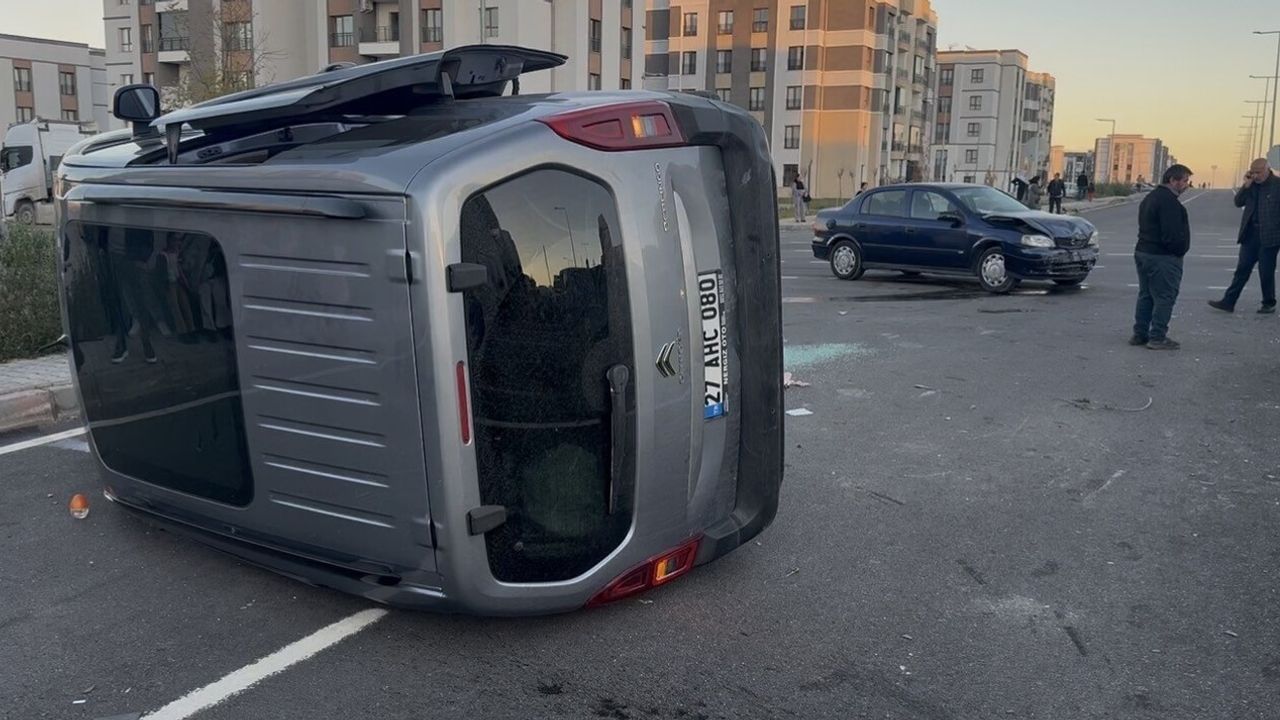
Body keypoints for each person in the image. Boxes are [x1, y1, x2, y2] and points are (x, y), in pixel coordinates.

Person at [1132, 164, 1194, 350]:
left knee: (1146, 295)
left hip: (1144, 252)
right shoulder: (1169, 202)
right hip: (1162, 257)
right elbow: (1172, 234)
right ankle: (1157, 336)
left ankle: (1140, 334)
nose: (1186, 185)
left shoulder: (1151, 198)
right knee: (1164, 297)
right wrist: (1179, 251)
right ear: (1173, 180)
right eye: (1184, 181)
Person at [1208, 157, 1280, 314]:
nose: (1255, 176)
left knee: (1266, 271)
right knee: (1242, 270)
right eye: (1252, 173)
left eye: (1258, 172)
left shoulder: (1277, 185)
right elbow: (1238, 202)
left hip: (1270, 236)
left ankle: (1268, 303)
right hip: (1250, 234)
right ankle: (1228, 302)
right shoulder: (1251, 185)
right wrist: (1246, 186)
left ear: (1267, 169)